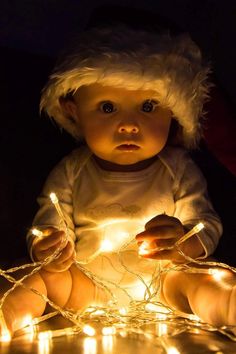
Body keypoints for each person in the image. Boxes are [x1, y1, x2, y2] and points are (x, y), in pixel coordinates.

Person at [1, 25, 235, 338]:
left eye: (148, 106)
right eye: (107, 107)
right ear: (75, 112)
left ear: (173, 114)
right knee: (35, 277)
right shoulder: (70, 172)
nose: (128, 125)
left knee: (209, 278)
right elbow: (50, 229)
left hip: (165, 282)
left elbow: (205, 225)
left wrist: (182, 244)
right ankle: (7, 314)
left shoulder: (179, 169)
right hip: (84, 286)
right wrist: (49, 249)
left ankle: (230, 306)